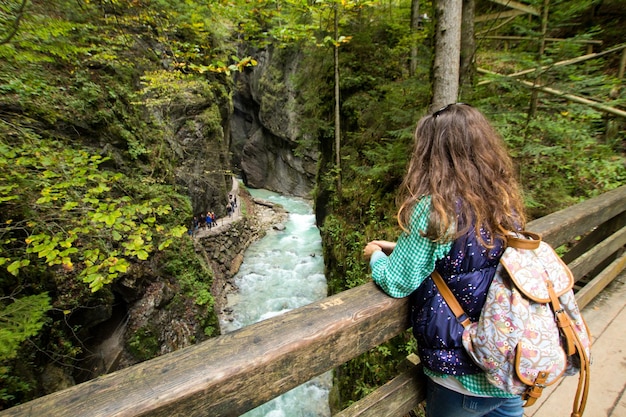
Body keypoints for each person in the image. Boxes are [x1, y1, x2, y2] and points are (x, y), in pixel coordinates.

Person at [363, 103, 527, 417]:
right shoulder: (502, 199)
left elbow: (398, 282)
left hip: (461, 374)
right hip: (506, 366)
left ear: (431, 154)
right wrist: (403, 247)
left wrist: (377, 257)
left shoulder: (435, 208)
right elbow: (471, 256)